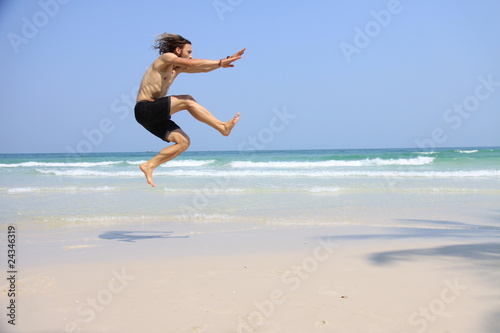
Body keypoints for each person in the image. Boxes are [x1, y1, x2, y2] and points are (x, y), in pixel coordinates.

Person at [134, 33, 245, 187]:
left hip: (155, 116)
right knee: (187, 100)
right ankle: (222, 127)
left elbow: (202, 68)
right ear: (178, 51)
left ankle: (149, 165)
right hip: (145, 108)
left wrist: (222, 63)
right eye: (189, 52)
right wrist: (220, 62)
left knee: (183, 142)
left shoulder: (176, 68)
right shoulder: (165, 58)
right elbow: (192, 65)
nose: (191, 56)